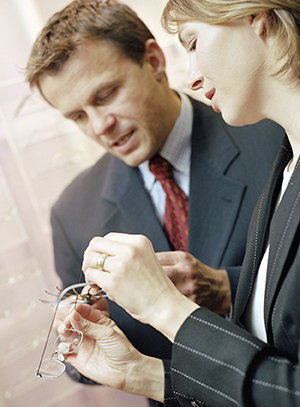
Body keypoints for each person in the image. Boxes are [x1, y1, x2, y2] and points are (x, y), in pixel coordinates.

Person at [26, 0, 285, 405]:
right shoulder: (72, 211)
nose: (99, 127)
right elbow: (80, 363)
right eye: (77, 116)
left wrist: (226, 288)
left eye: (106, 94)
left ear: (154, 60)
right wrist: (83, 334)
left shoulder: (273, 137)